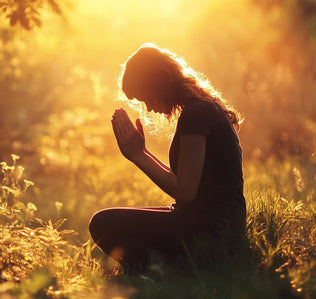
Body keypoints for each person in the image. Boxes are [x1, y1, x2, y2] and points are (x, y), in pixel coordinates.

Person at [88, 43, 247, 273]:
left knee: (102, 223)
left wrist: (138, 155)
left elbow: (185, 192)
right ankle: (172, 267)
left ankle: (172, 269)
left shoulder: (197, 113)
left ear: (159, 82)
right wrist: (141, 154)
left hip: (212, 231)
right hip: (213, 224)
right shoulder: (201, 108)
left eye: (145, 97)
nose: (149, 109)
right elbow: (187, 182)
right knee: (115, 220)